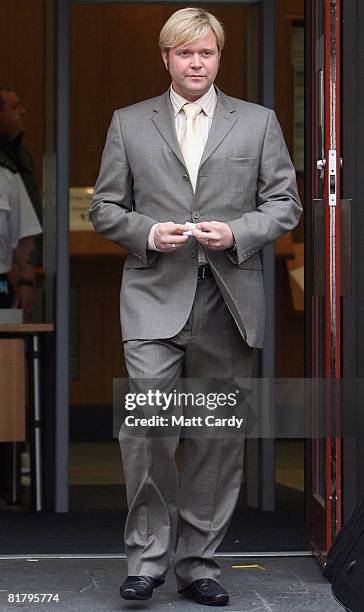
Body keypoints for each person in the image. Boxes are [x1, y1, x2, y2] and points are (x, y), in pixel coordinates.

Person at [90, 7, 302, 606]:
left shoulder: (257, 123)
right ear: (166, 58)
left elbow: (284, 203)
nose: (196, 63)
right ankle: (147, 559)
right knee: (148, 427)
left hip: (229, 297)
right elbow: (105, 207)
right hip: (154, 295)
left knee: (214, 436)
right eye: (185, 53)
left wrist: (237, 233)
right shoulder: (128, 123)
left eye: (206, 53)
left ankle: (199, 563)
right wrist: (147, 233)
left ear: (219, 57)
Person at [0, 86, 42, 319]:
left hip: (2, 283)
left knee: (7, 352)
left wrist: (25, 279)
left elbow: (26, 234)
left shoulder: (8, 173)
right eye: (14, 107)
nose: (22, 112)